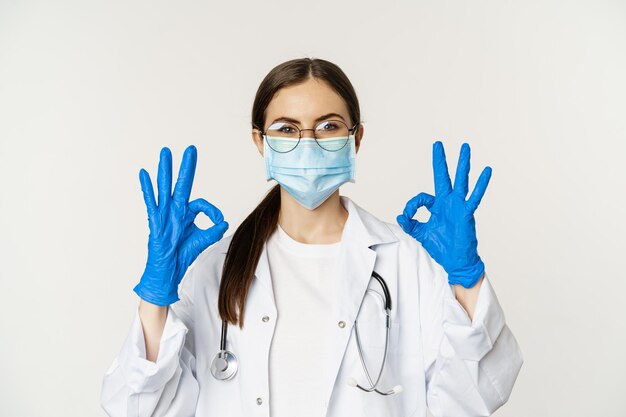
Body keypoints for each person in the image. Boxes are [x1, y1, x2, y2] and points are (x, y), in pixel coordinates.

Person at [100, 57, 523, 417]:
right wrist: (155, 298)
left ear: (355, 138)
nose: (308, 143)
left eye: (327, 126)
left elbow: (475, 395)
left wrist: (465, 279)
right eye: (286, 129)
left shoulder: (407, 262)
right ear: (260, 142)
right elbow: (139, 408)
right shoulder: (217, 268)